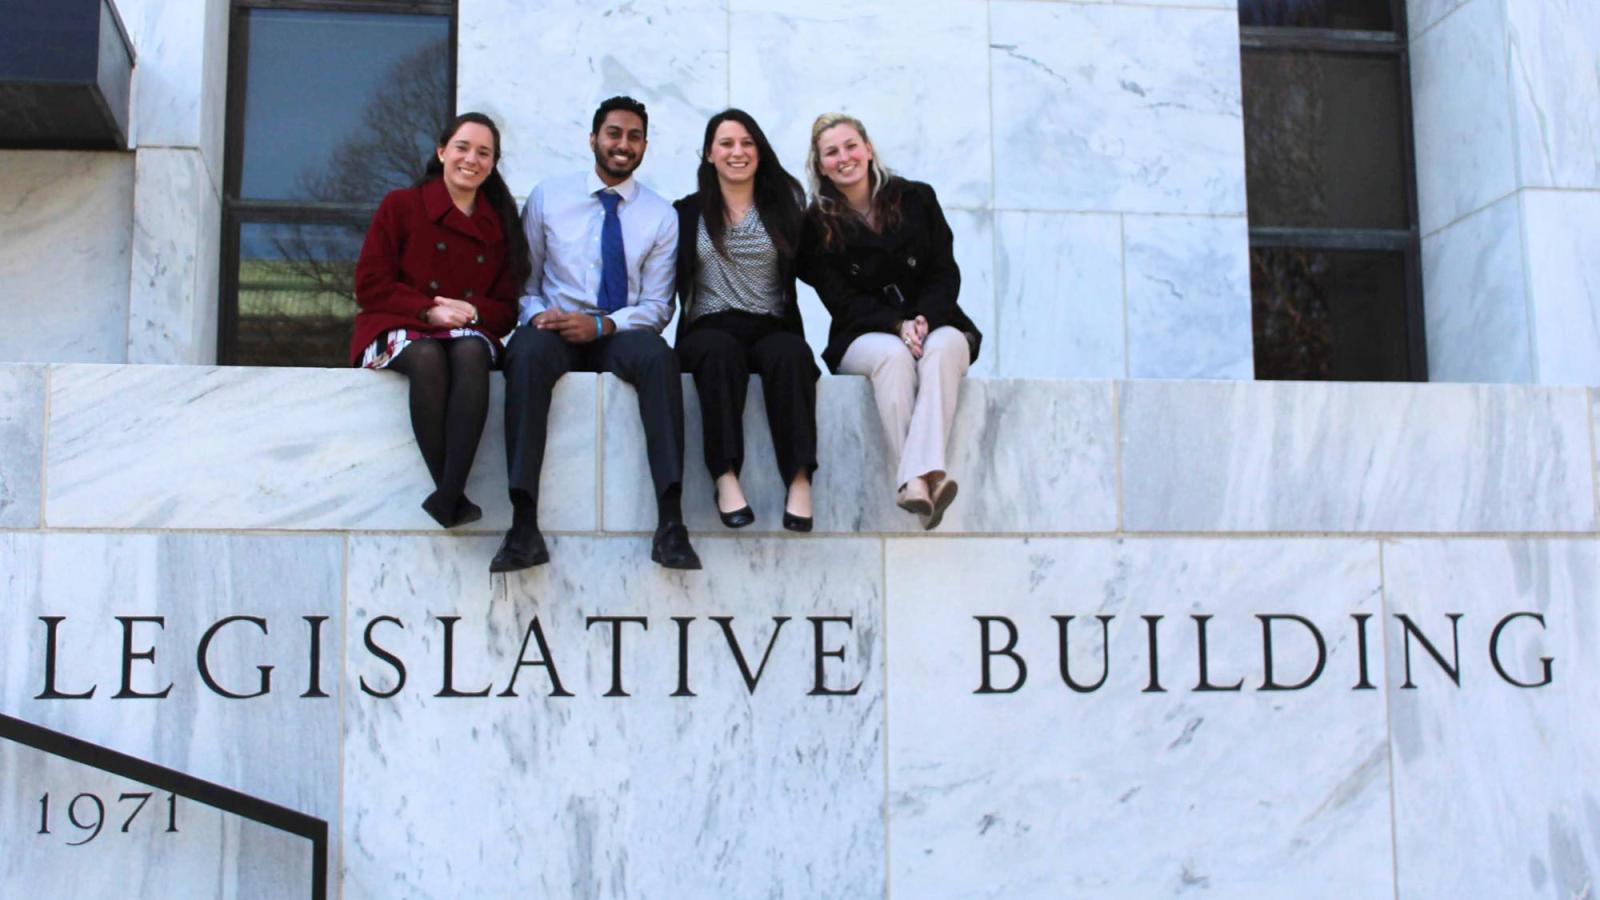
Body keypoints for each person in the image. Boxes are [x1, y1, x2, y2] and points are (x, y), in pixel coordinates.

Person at [493, 96, 701, 572]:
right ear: (593, 139)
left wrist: (604, 324)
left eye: (633, 136)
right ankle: (523, 524)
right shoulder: (549, 196)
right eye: (613, 133)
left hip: (618, 331)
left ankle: (671, 523)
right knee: (523, 355)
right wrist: (542, 316)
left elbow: (656, 306)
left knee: (660, 359)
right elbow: (524, 284)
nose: (622, 145)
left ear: (645, 145)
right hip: (554, 329)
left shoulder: (660, 215)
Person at [801, 112, 982, 530]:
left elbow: (945, 271)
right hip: (863, 335)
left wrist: (923, 319)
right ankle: (931, 475)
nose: (843, 157)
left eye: (850, 146)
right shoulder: (816, 226)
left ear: (868, 149)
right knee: (893, 358)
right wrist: (895, 325)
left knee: (943, 349)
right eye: (831, 152)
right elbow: (839, 300)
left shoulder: (917, 198)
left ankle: (913, 484)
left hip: (935, 321)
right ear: (820, 164)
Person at [351, 112, 529, 529]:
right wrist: (429, 309)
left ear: (493, 163)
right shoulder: (401, 205)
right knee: (428, 355)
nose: (472, 159)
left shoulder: (500, 224)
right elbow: (370, 283)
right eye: (463, 147)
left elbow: (507, 307)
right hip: (398, 323)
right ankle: (450, 492)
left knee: (469, 351)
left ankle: (449, 495)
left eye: (484, 153)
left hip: (466, 331)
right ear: (442, 151)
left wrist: (474, 310)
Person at [673, 109, 819, 533]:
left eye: (747, 143)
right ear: (708, 154)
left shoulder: (785, 211)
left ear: (759, 151)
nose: (737, 152)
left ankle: (799, 479)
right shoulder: (687, 214)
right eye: (726, 144)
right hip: (709, 326)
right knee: (718, 354)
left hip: (770, 324)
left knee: (793, 354)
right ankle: (725, 476)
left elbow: (825, 271)